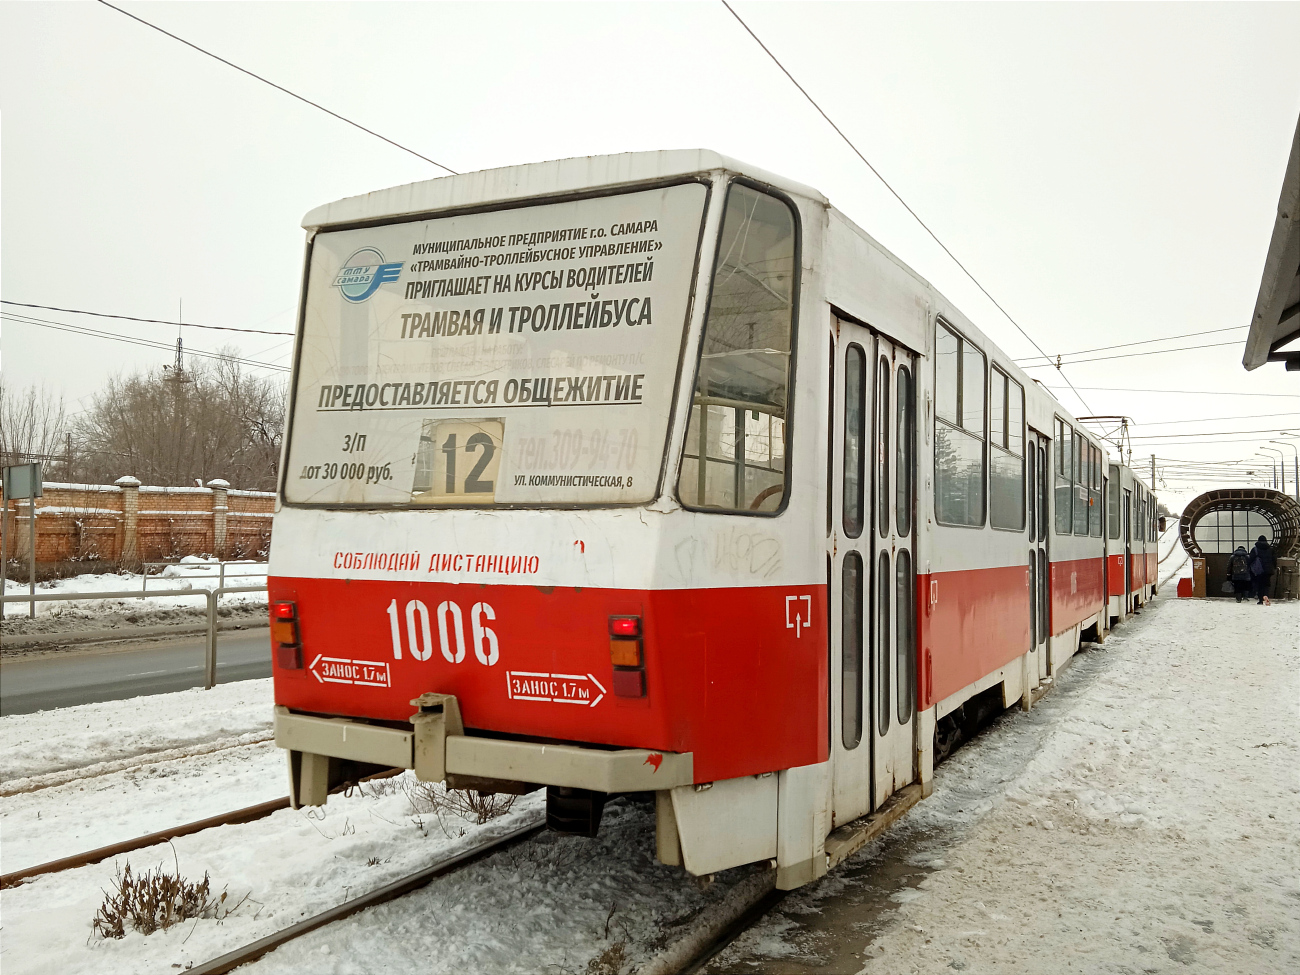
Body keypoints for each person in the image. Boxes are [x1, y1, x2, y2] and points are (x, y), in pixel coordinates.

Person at [1250, 535, 1276, 605]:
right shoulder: (1271, 549)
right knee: (1266, 584)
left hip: (1258, 570)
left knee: (1259, 585)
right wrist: (1274, 567)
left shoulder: (1255, 549)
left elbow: (1251, 559)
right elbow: (1274, 560)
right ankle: (1266, 596)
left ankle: (1260, 599)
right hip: (1268, 570)